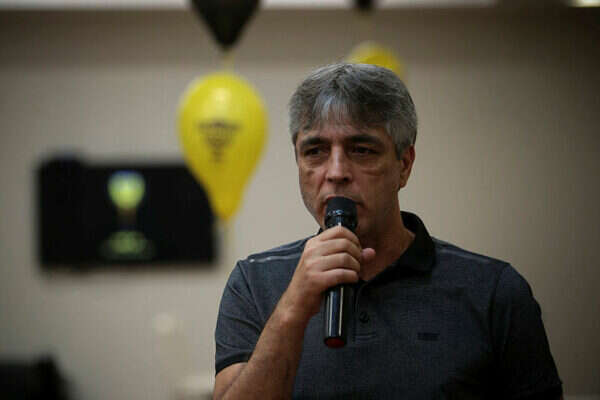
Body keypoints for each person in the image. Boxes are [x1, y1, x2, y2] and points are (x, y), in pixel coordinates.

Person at [213, 63, 562, 399]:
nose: (336, 172)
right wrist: (292, 308)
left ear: (404, 165)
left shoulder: (494, 291)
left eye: (361, 150)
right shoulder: (254, 283)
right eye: (315, 151)